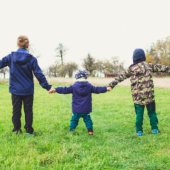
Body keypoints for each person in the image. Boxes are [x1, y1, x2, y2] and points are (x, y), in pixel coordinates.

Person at [108, 48, 170, 136]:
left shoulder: (131, 69)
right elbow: (161, 68)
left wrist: (111, 85)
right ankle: (155, 129)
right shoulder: (148, 66)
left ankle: (139, 131)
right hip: (149, 96)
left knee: (139, 114)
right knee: (152, 112)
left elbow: (120, 77)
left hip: (138, 97)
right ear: (143, 57)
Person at [0, 35, 54, 135]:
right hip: (28, 90)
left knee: (16, 111)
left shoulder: (10, 57)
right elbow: (38, 74)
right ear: (28, 46)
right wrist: (48, 87)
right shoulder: (32, 59)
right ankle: (29, 130)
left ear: (17, 44)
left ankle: (16, 130)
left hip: (15, 90)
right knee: (28, 110)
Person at [49, 70, 111, 135]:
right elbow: (97, 89)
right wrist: (106, 88)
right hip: (86, 109)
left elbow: (65, 89)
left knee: (74, 120)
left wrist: (56, 89)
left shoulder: (74, 86)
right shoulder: (89, 86)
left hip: (76, 109)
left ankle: (71, 130)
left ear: (77, 77)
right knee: (88, 120)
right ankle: (90, 131)